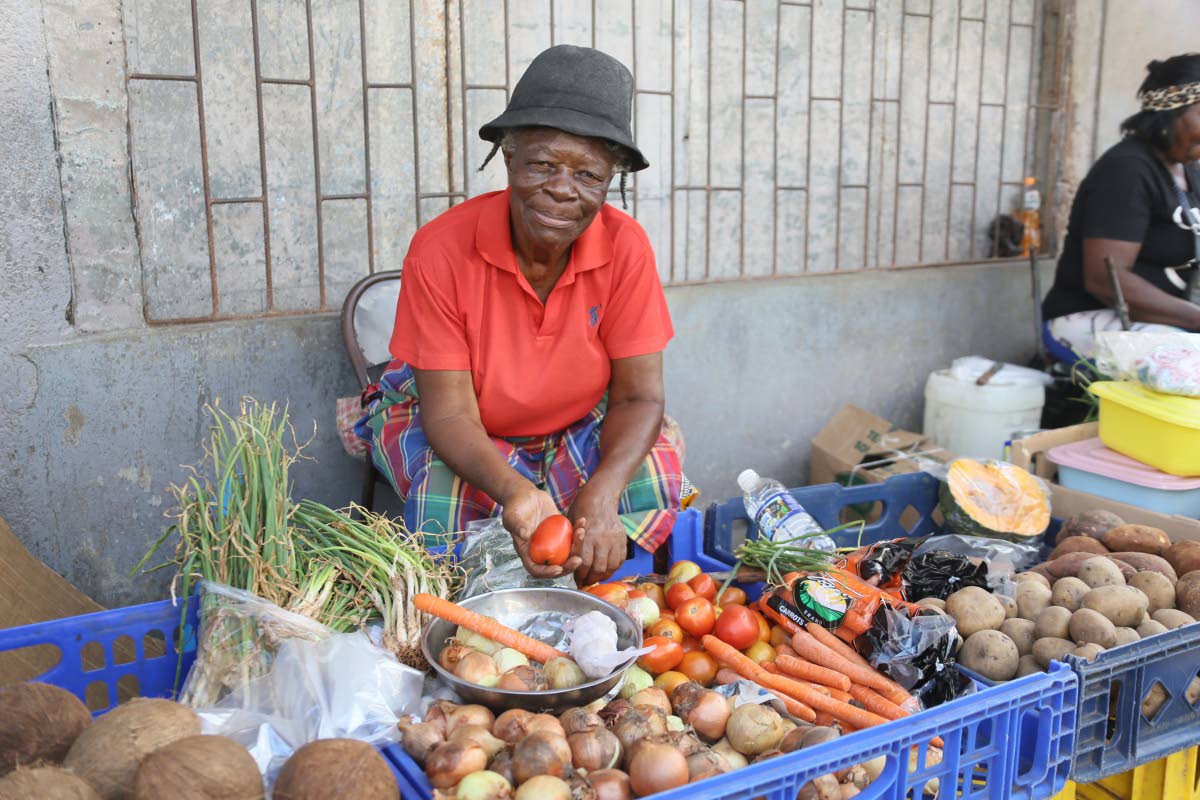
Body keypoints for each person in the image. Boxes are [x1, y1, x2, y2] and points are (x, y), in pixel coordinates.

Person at [356, 45, 684, 585]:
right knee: (449, 499)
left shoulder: (626, 247)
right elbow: (450, 418)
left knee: (649, 466)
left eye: (588, 175)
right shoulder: (440, 250)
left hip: (575, 419)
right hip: (463, 424)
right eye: (543, 164)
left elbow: (638, 397)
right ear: (508, 158)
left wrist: (601, 494)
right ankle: (481, 614)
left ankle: (590, 610)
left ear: (609, 183)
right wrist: (515, 491)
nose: (562, 190)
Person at [1042, 53, 1200, 362]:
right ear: (1171, 112)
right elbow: (1104, 279)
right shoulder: (1127, 170)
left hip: (1162, 322)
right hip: (1087, 319)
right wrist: (1195, 318)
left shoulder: (1189, 170)